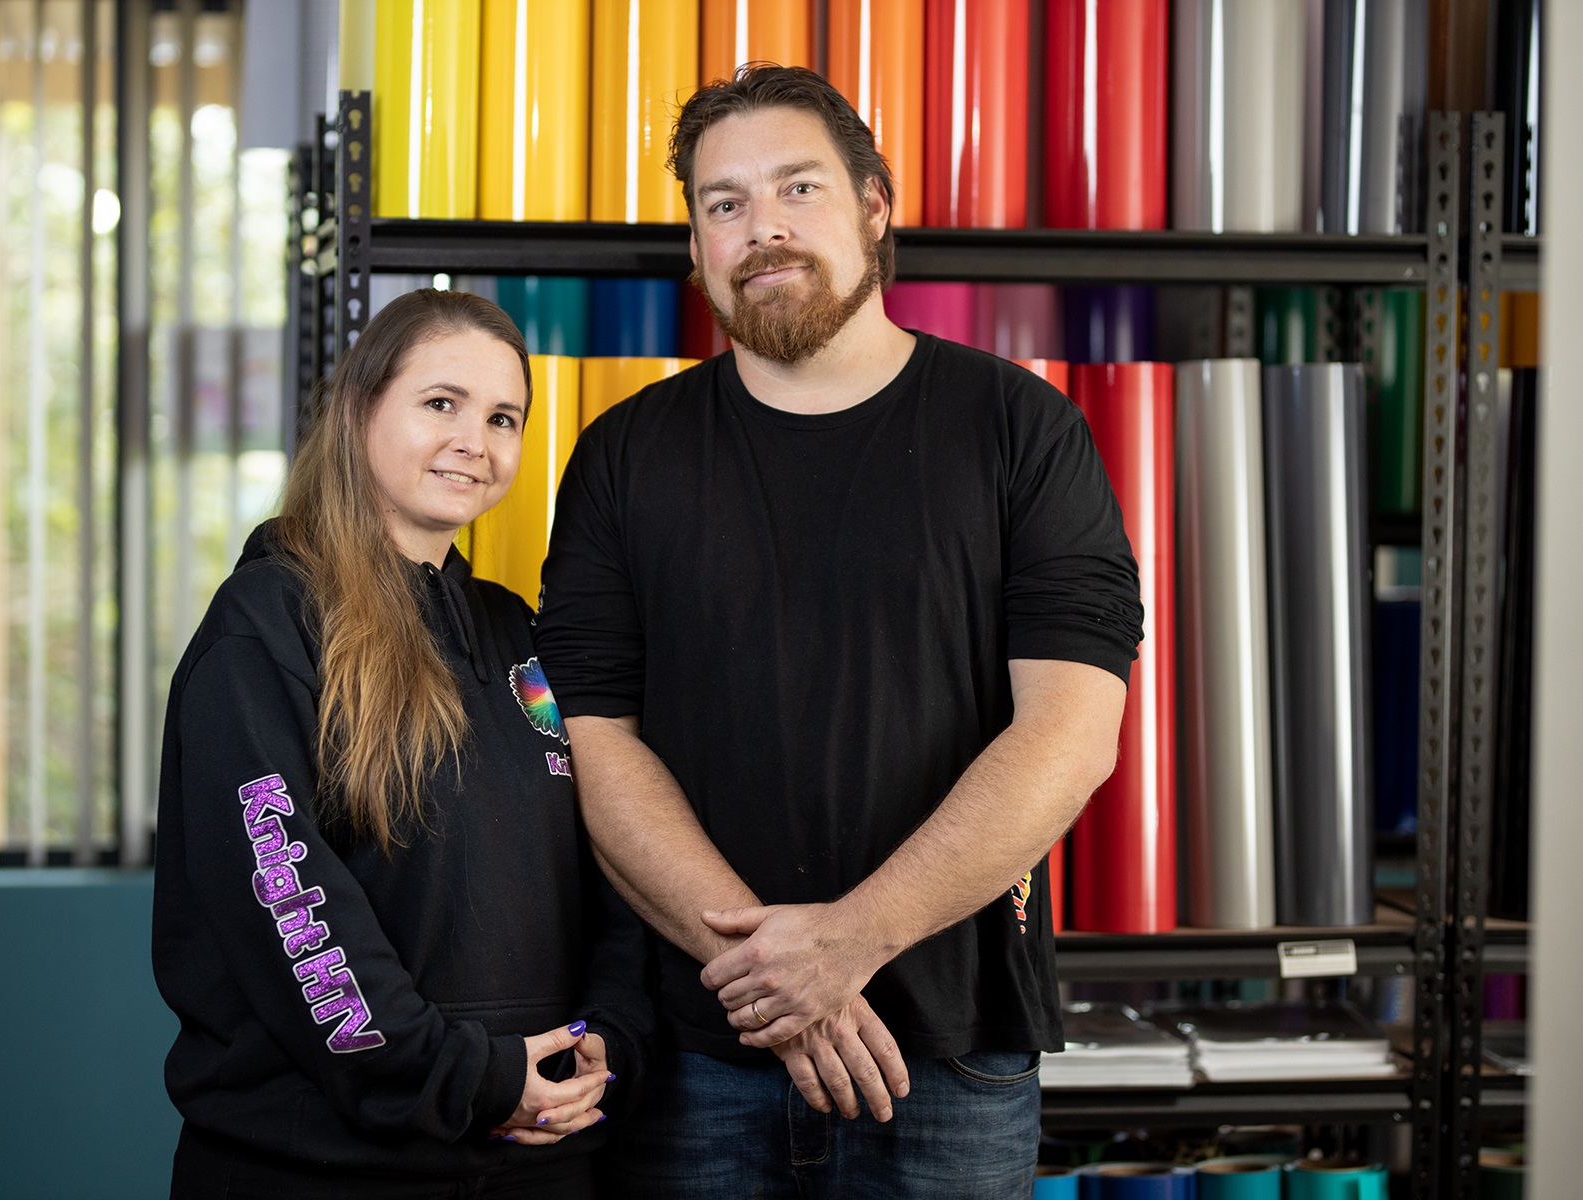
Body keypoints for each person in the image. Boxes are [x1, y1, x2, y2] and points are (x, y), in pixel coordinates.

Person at [534, 65, 1144, 1197]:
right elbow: (595, 737)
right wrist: (769, 979)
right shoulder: (625, 458)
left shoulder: (1021, 431)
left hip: (950, 1059)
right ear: (697, 245)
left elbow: (1071, 730)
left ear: (874, 205)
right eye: (723, 203)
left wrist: (853, 939)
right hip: (694, 1061)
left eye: (797, 187)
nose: (760, 227)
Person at [152, 289, 650, 1200]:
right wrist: (463, 1076)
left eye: (503, 417)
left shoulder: (516, 635)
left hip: (541, 1158)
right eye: (441, 403)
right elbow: (287, 898)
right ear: (357, 408)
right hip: (326, 1169)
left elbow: (603, 852)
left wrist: (613, 1032)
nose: (475, 440)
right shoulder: (267, 626)